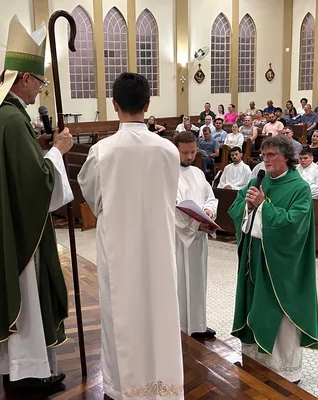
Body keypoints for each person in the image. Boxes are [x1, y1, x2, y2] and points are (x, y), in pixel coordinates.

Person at [0, 16, 73, 391]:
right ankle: (30, 373)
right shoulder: (11, 119)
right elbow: (35, 184)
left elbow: (7, 166)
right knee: (27, 293)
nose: (40, 91)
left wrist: (38, 149)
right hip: (17, 230)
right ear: (24, 77)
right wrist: (58, 152)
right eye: (39, 82)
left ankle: (14, 367)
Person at [77, 72, 184, 400]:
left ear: (114, 104)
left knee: (120, 316)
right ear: (148, 104)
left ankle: (124, 389)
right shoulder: (168, 150)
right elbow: (170, 194)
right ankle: (162, 386)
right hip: (158, 248)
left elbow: (93, 197)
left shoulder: (102, 152)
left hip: (119, 248)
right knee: (160, 312)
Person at [228, 135, 318, 384]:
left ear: (287, 158)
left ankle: (283, 370)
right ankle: (256, 361)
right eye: (263, 155)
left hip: (282, 264)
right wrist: (248, 208)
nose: (265, 160)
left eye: (271, 155)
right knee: (255, 306)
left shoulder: (299, 188)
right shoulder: (257, 181)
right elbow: (239, 209)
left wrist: (263, 207)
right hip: (255, 260)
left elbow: (295, 224)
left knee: (278, 312)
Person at [173, 131, 219, 339]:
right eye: (185, 153)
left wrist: (209, 211)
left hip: (198, 238)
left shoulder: (198, 173)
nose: (189, 157)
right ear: (175, 150)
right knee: (180, 282)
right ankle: (181, 326)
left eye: (192, 152)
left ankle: (198, 324)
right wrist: (194, 225)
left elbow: (210, 197)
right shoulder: (168, 174)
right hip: (178, 239)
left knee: (198, 281)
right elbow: (170, 208)